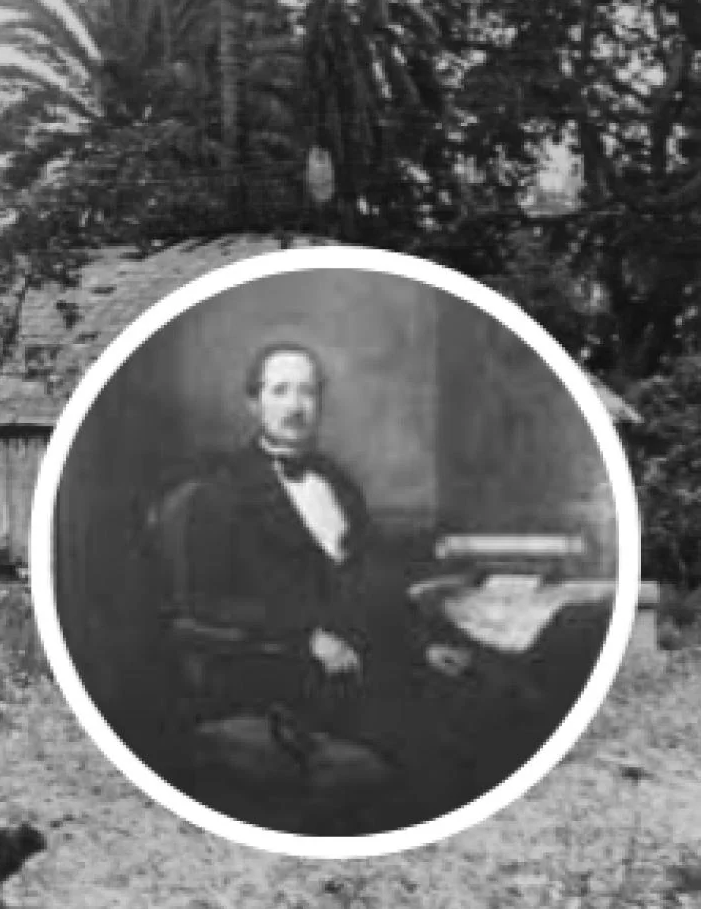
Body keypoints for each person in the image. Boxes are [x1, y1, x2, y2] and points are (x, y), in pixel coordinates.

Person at [165, 342, 505, 821]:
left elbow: (375, 580)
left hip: (371, 657)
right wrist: (304, 637)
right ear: (253, 403)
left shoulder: (337, 481)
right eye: (279, 391)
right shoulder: (221, 496)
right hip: (275, 671)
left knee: (490, 693)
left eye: (307, 392)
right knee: (428, 741)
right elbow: (207, 602)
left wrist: (420, 644)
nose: (295, 405)